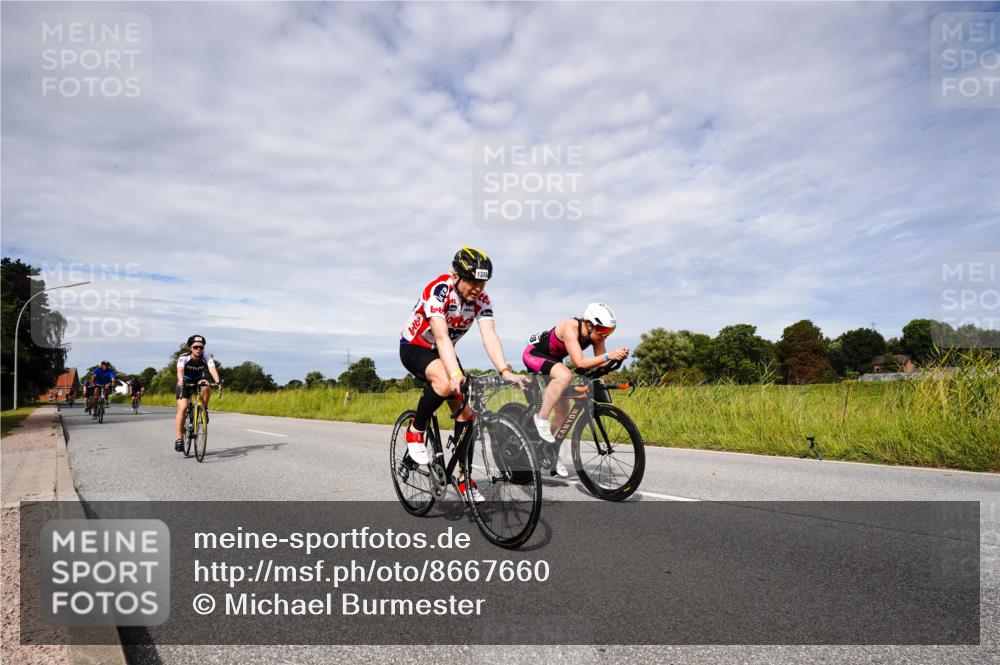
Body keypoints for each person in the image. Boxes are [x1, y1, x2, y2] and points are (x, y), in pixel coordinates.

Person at [399, 247, 527, 500]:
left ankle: (463, 479)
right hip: (416, 347)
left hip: (444, 352)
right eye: (472, 282)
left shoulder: (482, 300)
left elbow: (489, 336)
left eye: (482, 283)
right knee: (447, 382)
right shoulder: (438, 290)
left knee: (467, 416)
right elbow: (441, 337)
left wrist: (505, 371)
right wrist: (455, 373)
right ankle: (416, 429)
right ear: (455, 276)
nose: (478, 288)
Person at [522, 303, 629, 476]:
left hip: (554, 360)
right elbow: (579, 363)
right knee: (565, 375)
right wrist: (609, 355)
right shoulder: (570, 326)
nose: (605, 335)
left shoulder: (596, 336)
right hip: (534, 354)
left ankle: (550, 451)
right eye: (603, 330)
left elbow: (601, 362)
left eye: (609, 332)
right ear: (589, 324)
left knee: (563, 410)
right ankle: (541, 418)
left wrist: (617, 358)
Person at [174, 335, 223, 451]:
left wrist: (218, 381)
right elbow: (180, 371)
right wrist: (181, 381)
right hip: (184, 382)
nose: (198, 349)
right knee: (183, 408)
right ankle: (179, 438)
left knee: (206, 384)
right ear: (190, 348)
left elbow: (212, 369)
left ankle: (204, 409)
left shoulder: (206, 357)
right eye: (195, 347)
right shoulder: (184, 357)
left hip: (198, 380)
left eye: (201, 347)